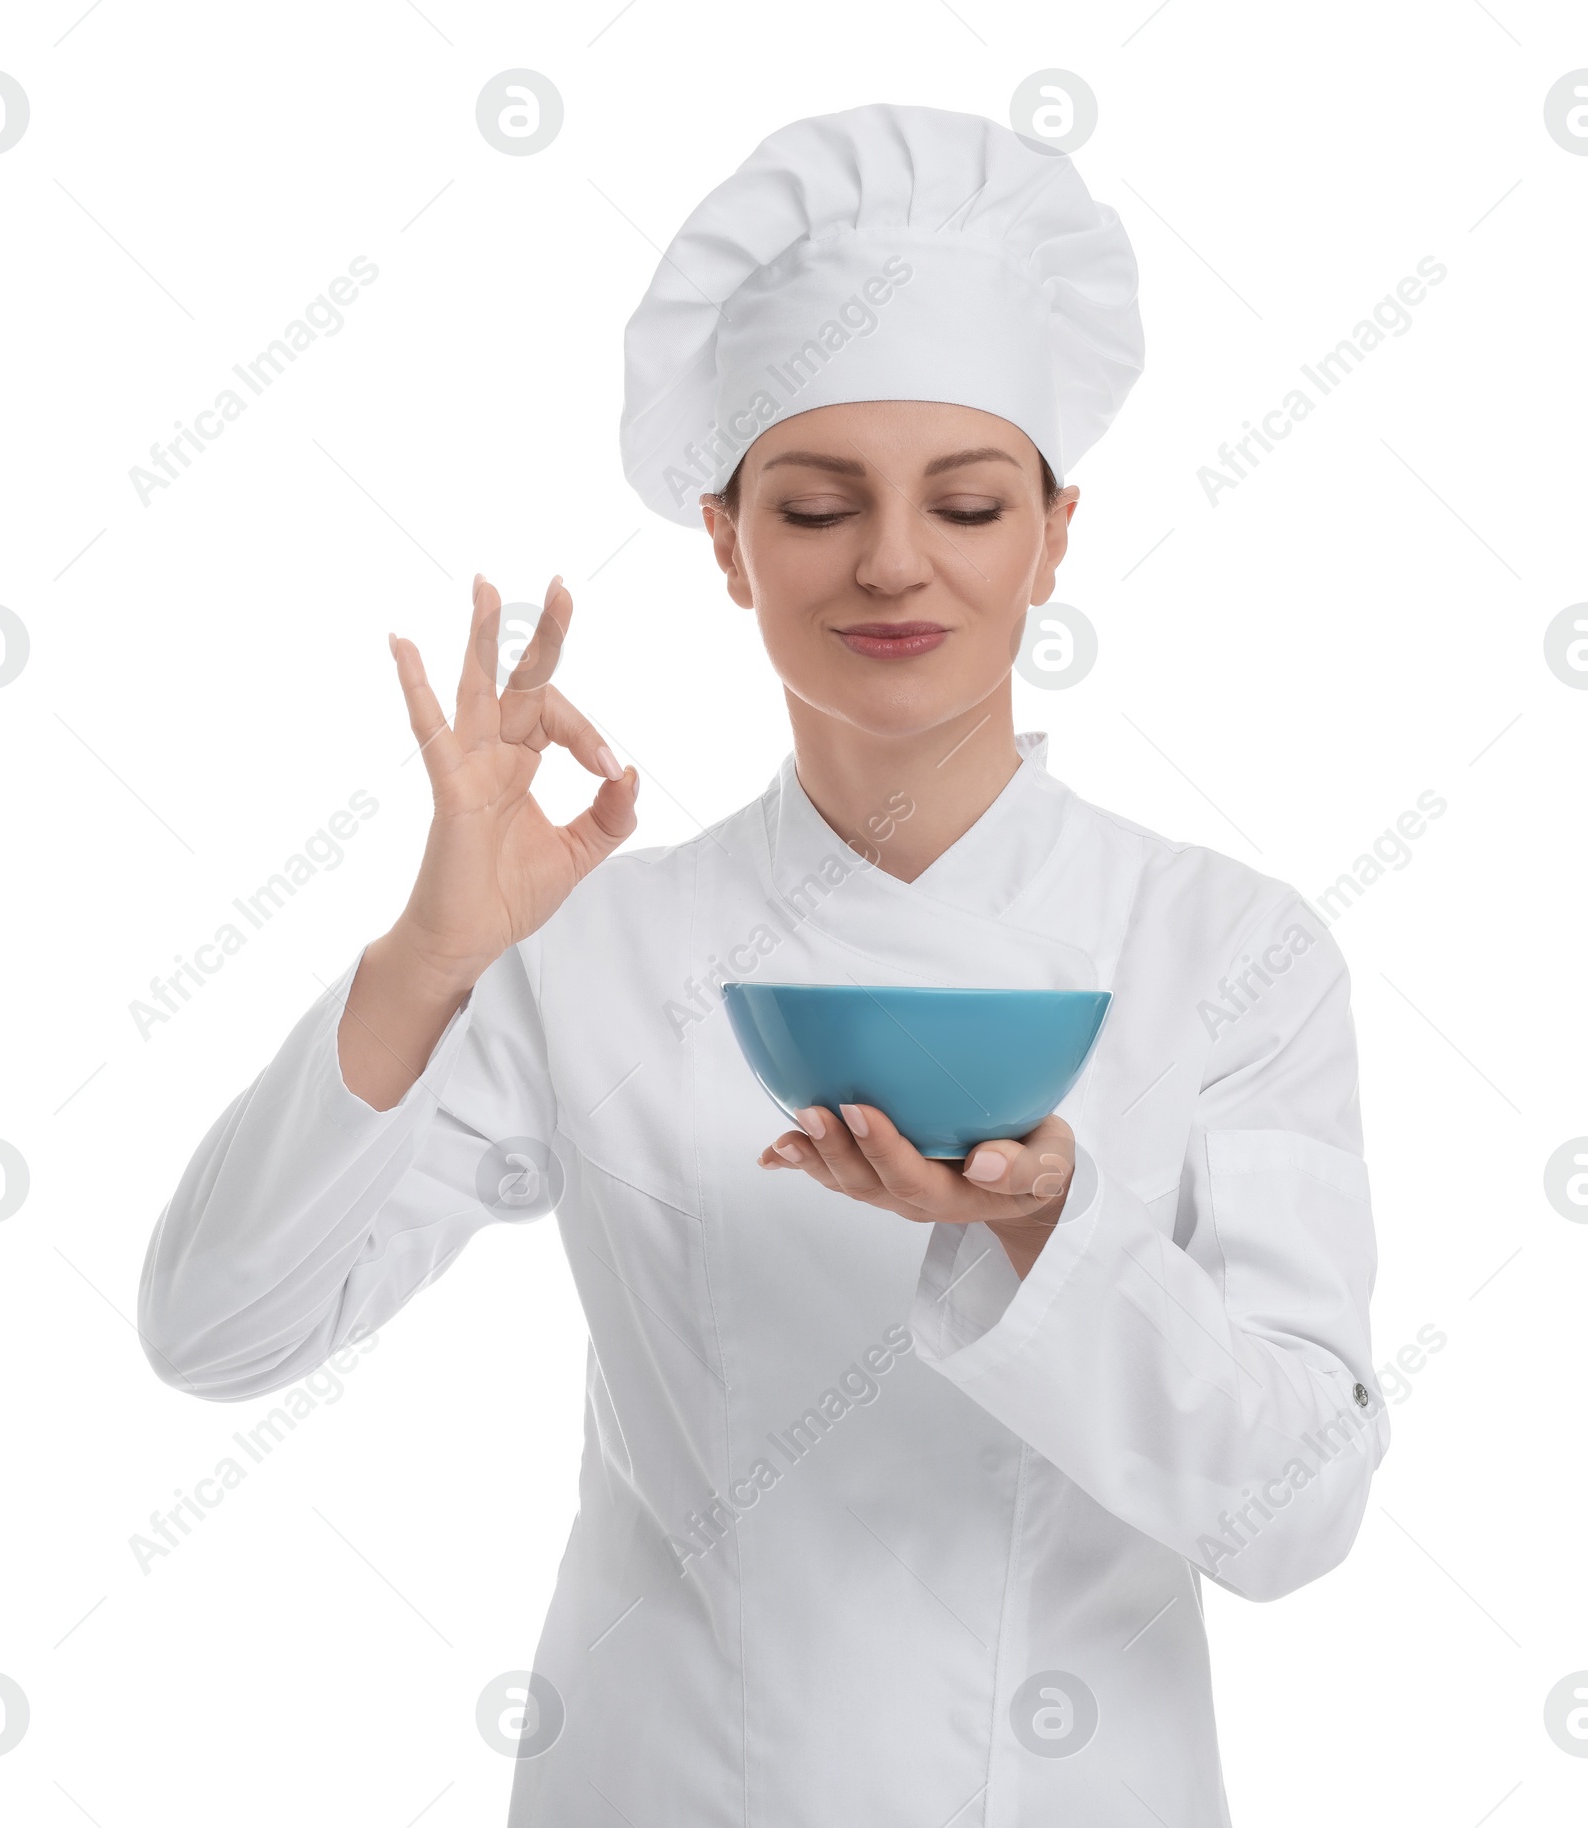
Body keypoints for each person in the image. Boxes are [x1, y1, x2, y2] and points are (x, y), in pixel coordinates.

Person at [138, 103, 1388, 1826]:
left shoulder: (1229, 953)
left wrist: (1045, 1229)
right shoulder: (593, 947)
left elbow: (1298, 1514)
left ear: (1055, 536)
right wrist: (430, 953)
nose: (892, 561)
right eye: (814, 506)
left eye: (964, 502)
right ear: (726, 543)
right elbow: (214, 1329)